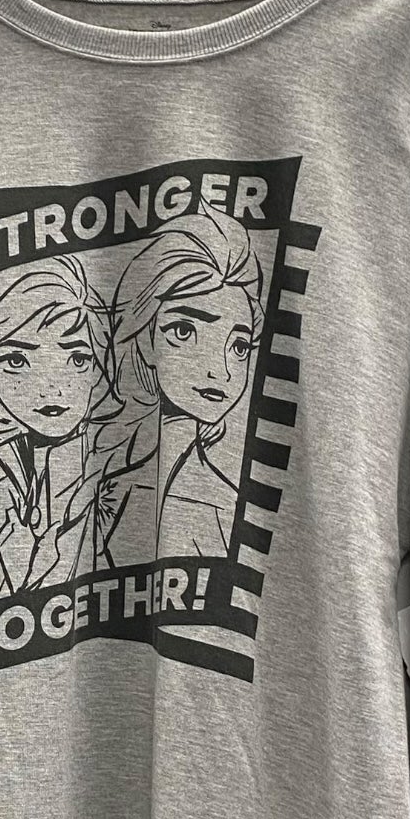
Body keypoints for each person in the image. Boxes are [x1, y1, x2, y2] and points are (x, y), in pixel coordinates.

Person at [69, 210, 264, 566]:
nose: (219, 371)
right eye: (185, 331)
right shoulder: (111, 486)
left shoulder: (220, 505)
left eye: (238, 346)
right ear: (145, 339)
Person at [0, 256, 112, 611]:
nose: (52, 388)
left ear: (100, 367)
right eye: (17, 360)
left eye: (78, 359)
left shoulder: (114, 465)